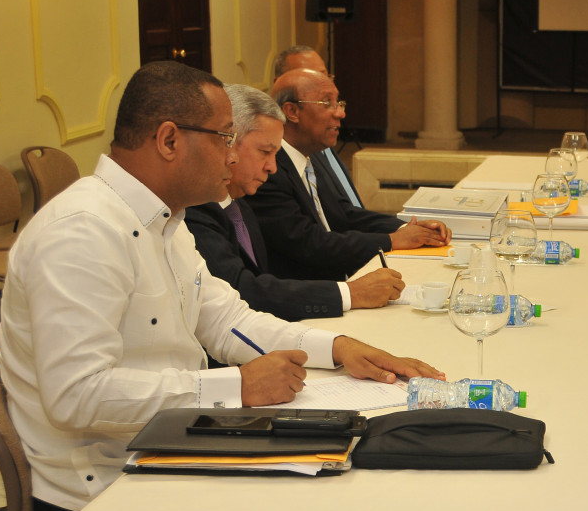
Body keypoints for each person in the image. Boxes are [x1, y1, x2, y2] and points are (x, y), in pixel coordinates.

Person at [0, 62, 444, 511]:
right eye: (224, 138)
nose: (232, 156)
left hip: (170, 444)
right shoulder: (82, 231)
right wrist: (237, 386)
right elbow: (75, 396)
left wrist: (338, 347)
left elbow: (227, 319)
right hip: (101, 490)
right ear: (169, 140)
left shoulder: (166, 221)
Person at [185, 84, 405, 321]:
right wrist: (349, 293)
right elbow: (243, 291)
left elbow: (343, 213)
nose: (272, 167)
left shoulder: (241, 205)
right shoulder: (194, 209)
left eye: (275, 154)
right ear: (227, 142)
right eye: (264, 152)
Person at [248, 68, 451, 281]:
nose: (340, 113)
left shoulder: (313, 156)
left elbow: (345, 214)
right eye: (327, 103)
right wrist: (392, 240)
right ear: (292, 111)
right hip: (310, 291)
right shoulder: (268, 170)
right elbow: (309, 243)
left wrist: (408, 228)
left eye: (339, 103)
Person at [271, 46, 364, 207]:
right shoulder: (273, 165)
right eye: (308, 75)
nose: (340, 113)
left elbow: (344, 211)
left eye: (324, 76)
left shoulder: (316, 141)